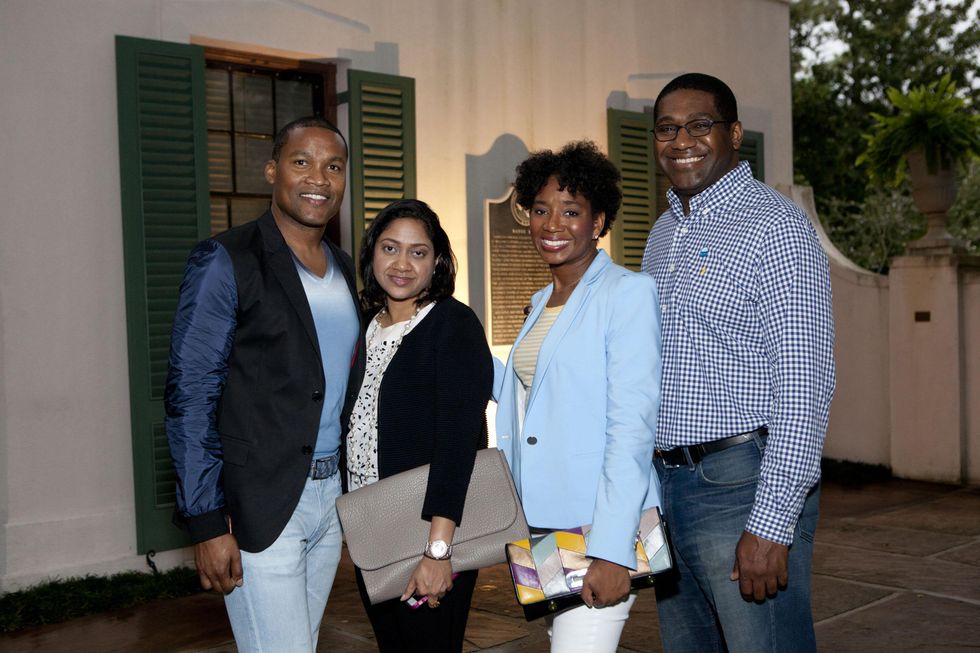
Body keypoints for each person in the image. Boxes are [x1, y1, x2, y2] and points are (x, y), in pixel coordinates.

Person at [641, 73, 835, 652]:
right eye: (668, 129)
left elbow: (805, 384)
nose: (682, 141)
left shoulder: (775, 226)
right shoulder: (663, 232)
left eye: (700, 125)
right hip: (670, 485)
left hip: (741, 484)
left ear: (734, 133)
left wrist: (772, 523)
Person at [165, 116, 362, 652]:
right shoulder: (226, 259)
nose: (318, 178)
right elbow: (190, 395)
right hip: (259, 503)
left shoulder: (344, 269)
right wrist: (207, 521)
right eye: (302, 162)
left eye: (333, 166)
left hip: (330, 499)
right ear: (273, 170)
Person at [494, 141, 662, 652]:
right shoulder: (541, 301)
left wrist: (612, 550)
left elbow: (631, 428)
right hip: (541, 521)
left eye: (571, 211)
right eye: (540, 210)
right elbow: (534, 400)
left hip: (600, 524)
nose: (552, 225)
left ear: (599, 220)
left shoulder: (627, 292)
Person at [344, 199, 493, 652]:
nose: (402, 264)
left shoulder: (453, 324)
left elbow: (458, 441)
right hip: (372, 527)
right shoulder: (367, 325)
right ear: (372, 254)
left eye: (418, 252)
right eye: (390, 248)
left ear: (438, 262)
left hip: (427, 530)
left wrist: (438, 551)